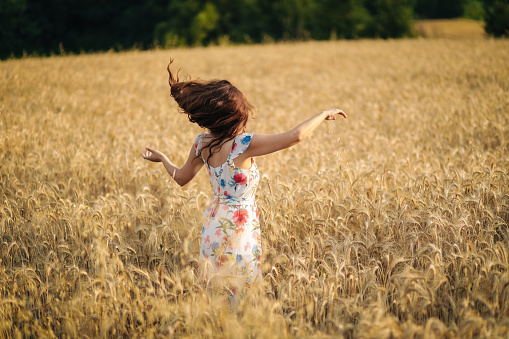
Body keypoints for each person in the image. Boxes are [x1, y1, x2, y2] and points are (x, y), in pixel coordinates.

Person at [142, 59, 346, 297]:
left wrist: (163, 159)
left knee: (217, 287)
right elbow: (295, 136)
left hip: (214, 224)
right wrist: (323, 114)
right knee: (241, 288)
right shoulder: (244, 144)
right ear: (233, 116)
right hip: (240, 227)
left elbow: (181, 178)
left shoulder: (201, 143)